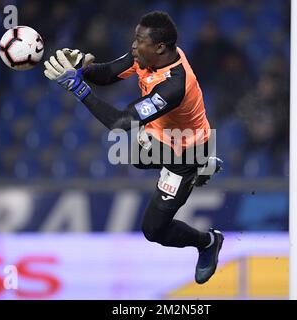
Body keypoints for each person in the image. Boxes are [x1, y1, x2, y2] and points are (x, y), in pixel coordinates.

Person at [43, 11, 223, 284]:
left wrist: (78, 89)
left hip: (184, 152)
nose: (133, 46)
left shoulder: (174, 85)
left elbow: (118, 122)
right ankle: (204, 167)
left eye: (139, 41)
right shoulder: (147, 56)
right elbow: (107, 76)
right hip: (159, 136)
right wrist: (82, 68)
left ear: (160, 47)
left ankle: (208, 242)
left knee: (154, 230)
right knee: (136, 157)